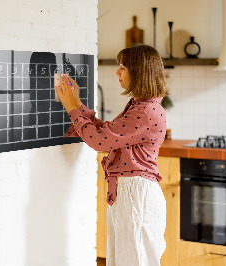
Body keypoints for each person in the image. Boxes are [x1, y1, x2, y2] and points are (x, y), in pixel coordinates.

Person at [56, 44, 168, 266]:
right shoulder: (141, 106)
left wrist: (71, 108)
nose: (117, 72)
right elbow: (107, 133)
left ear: (139, 72)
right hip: (131, 193)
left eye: (123, 67)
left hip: (136, 195)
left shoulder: (145, 111)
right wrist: (77, 103)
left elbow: (99, 141)